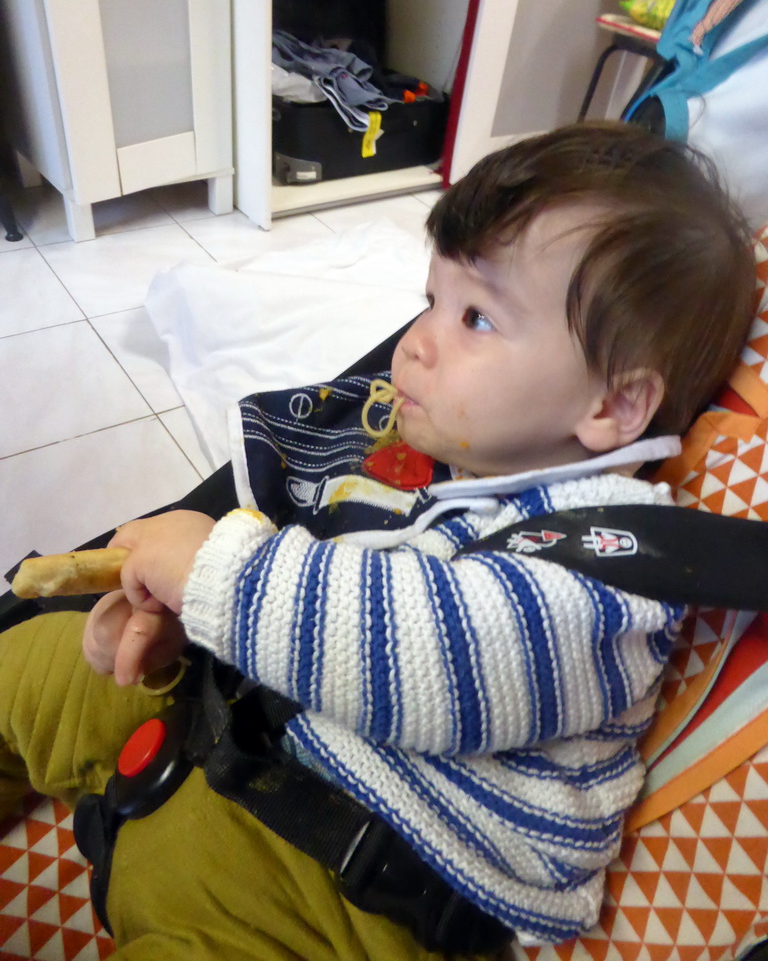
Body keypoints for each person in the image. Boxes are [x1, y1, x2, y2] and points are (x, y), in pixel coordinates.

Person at [0, 122, 756, 958]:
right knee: (33, 664)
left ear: (613, 407)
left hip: (324, 898)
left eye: (477, 317)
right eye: (432, 299)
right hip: (240, 741)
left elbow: (429, 649)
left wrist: (219, 576)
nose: (417, 340)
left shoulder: (608, 573)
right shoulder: (458, 480)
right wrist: (186, 623)